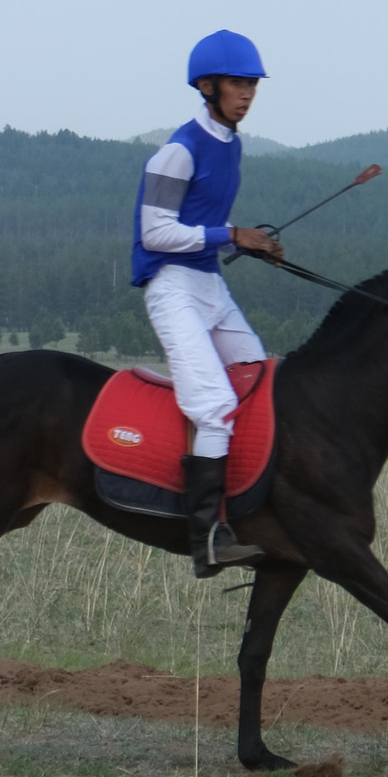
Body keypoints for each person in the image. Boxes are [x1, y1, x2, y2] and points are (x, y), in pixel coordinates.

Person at [131, 30, 282, 576]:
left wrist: (247, 243)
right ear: (207, 86)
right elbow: (154, 232)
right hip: (172, 287)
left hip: (209, 286)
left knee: (260, 383)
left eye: (252, 84)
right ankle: (207, 540)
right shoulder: (178, 151)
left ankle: (253, 510)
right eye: (238, 84)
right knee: (215, 407)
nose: (248, 94)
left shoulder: (231, 145)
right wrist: (231, 234)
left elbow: (206, 224)